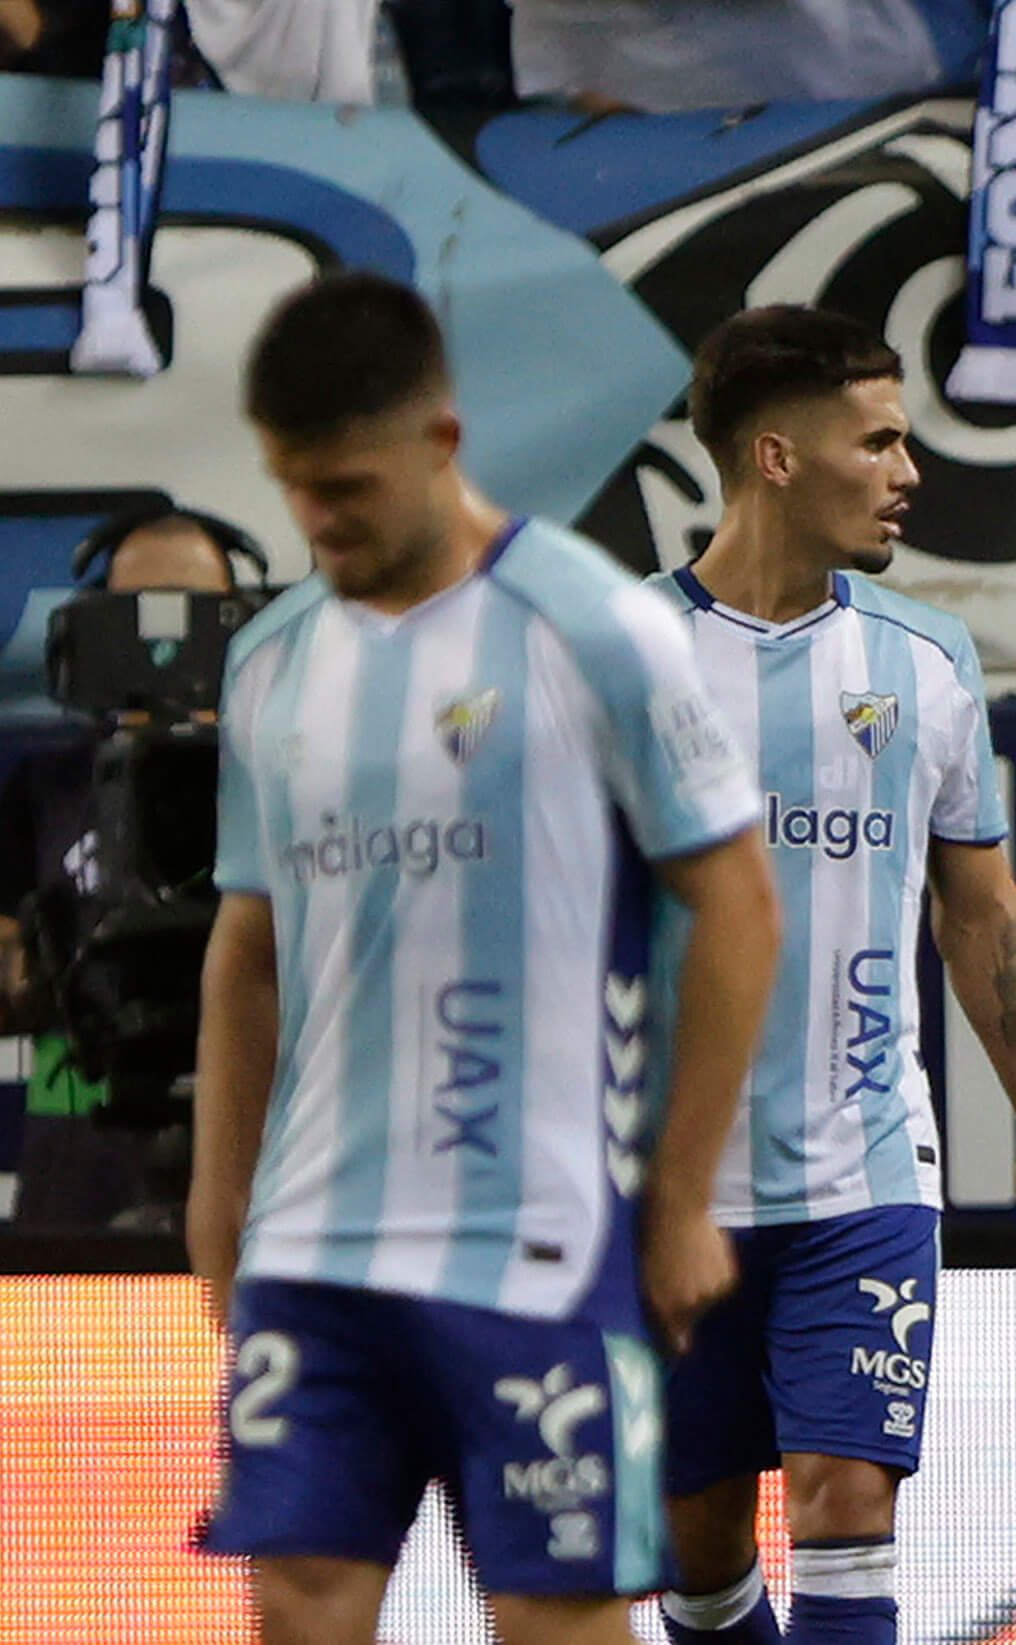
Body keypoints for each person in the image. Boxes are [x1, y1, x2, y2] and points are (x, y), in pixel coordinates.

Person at [189, 270, 781, 1645]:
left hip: (540, 1239)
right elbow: (248, 949)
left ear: (441, 444)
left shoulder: (595, 627)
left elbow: (740, 906)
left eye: (344, 487)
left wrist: (682, 1197)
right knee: (298, 1599)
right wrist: (221, 1206)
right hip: (316, 1240)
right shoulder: (271, 661)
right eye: (293, 489)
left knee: (554, 1614)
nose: (317, 521)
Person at [646, 304, 1016, 1645]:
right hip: (671, 1195)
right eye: (880, 440)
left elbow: (982, 910)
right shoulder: (619, 657)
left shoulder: (925, 658)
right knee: (702, 1549)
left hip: (864, 1175)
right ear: (776, 454)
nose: (909, 471)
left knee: (847, 1504)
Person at [0, 508, 239, 1229]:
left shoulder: (297, 786)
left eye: (200, 619)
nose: (167, 647)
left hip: (254, 1164)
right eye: (137, 618)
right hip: (81, 1173)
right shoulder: (47, 787)